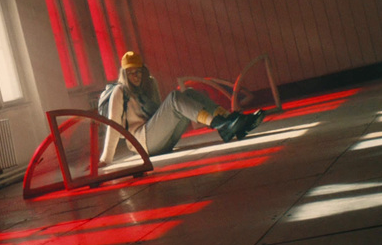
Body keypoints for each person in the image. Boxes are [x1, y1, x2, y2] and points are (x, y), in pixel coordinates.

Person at [98, 50, 265, 163]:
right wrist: (106, 159)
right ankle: (221, 125)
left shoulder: (150, 83)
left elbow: (158, 112)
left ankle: (230, 120)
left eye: (138, 71)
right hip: (142, 144)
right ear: (124, 74)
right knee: (175, 97)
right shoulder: (120, 91)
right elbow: (113, 127)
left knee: (189, 93)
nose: (135, 76)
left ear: (143, 70)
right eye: (130, 73)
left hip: (160, 139)